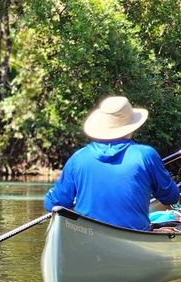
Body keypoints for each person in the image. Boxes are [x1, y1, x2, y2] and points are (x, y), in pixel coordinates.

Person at [43, 95, 179, 230]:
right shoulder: (146, 155)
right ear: (132, 127)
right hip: (135, 235)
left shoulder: (78, 158)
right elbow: (171, 197)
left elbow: (54, 203)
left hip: (87, 233)